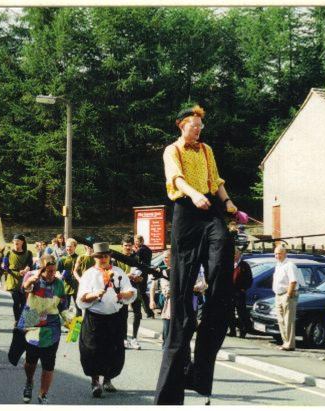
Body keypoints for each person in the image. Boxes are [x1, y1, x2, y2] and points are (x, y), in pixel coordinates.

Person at [155, 105, 237, 405]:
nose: (198, 130)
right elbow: (175, 179)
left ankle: (215, 299)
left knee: (223, 244)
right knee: (182, 288)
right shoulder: (172, 150)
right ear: (181, 126)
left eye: (201, 125)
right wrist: (194, 194)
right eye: (194, 126)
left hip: (209, 209)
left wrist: (227, 203)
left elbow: (215, 180)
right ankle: (181, 350)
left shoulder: (206, 150)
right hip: (186, 212)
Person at [77, 242, 137, 398]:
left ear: (110, 256)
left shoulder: (118, 272)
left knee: (113, 350)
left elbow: (130, 291)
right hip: (95, 318)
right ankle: (95, 382)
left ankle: (107, 380)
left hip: (115, 318)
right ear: (94, 258)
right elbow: (82, 296)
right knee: (92, 350)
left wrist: (123, 295)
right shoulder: (89, 274)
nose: (103, 259)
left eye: (105, 256)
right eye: (99, 257)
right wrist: (95, 294)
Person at [17, 255, 74, 405]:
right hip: (32, 317)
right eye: (48, 271)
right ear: (41, 269)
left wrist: (68, 318)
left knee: (49, 362)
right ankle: (29, 382)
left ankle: (43, 395)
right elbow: (24, 288)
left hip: (51, 322)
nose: (52, 274)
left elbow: (62, 305)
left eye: (54, 271)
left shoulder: (59, 284)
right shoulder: (33, 278)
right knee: (31, 360)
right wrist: (33, 278)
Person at [116, 235, 144, 350]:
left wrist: (139, 278)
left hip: (135, 287)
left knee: (137, 313)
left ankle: (134, 338)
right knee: (123, 315)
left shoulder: (136, 258)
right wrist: (126, 276)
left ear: (133, 246)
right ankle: (123, 338)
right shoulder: (116, 258)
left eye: (130, 245)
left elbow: (142, 273)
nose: (128, 247)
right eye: (126, 245)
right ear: (122, 246)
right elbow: (113, 274)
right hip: (122, 289)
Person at [272, 246, 300, 351]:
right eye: (275, 254)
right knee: (281, 320)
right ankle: (285, 342)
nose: (277, 256)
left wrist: (288, 295)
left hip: (287, 294)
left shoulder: (290, 265)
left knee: (288, 320)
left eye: (279, 253)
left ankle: (290, 344)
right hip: (278, 295)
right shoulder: (278, 265)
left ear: (285, 254)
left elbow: (293, 281)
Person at [5, 234, 34, 326]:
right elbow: (5, 265)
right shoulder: (9, 253)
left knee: (23, 301)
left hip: (25, 279)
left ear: (22, 242)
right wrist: (4, 267)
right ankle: (17, 320)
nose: (16, 242)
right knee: (16, 300)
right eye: (14, 241)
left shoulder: (28, 253)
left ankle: (22, 318)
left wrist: (25, 270)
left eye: (18, 241)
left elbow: (30, 264)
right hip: (13, 278)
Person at [228, 248, 253, 338]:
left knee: (241, 312)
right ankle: (232, 330)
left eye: (235, 254)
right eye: (233, 254)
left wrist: (243, 288)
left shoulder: (244, 265)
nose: (234, 255)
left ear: (239, 254)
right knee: (230, 312)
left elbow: (249, 279)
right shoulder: (229, 264)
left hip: (239, 292)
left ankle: (243, 331)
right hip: (230, 292)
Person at [133, 234, 155, 319]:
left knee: (141, 293)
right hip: (144, 272)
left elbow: (137, 262)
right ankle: (147, 312)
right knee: (141, 293)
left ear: (142, 241)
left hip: (140, 273)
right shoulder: (148, 249)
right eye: (135, 241)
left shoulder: (140, 250)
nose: (136, 243)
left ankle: (148, 312)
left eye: (137, 241)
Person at [56, 238, 80, 315]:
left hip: (77, 286)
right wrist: (60, 275)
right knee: (65, 308)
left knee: (78, 308)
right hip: (66, 286)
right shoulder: (62, 259)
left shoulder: (79, 258)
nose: (68, 248)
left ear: (75, 247)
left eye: (70, 246)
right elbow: (57, 271)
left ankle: (77, 325)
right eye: (67, 246)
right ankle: (67, 324)